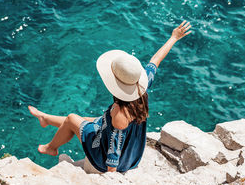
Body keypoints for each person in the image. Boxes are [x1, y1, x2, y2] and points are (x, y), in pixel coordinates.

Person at [29, 21, 192, 173]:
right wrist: (173, 37)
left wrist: (110, 178)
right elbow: (155, 61)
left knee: (73, 118)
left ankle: (50, 148)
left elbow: (113, 151)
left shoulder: (120, 115)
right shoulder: (140, 87)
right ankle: (45, 118)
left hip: (104, 161)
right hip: (129, 150)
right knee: (88, 119)